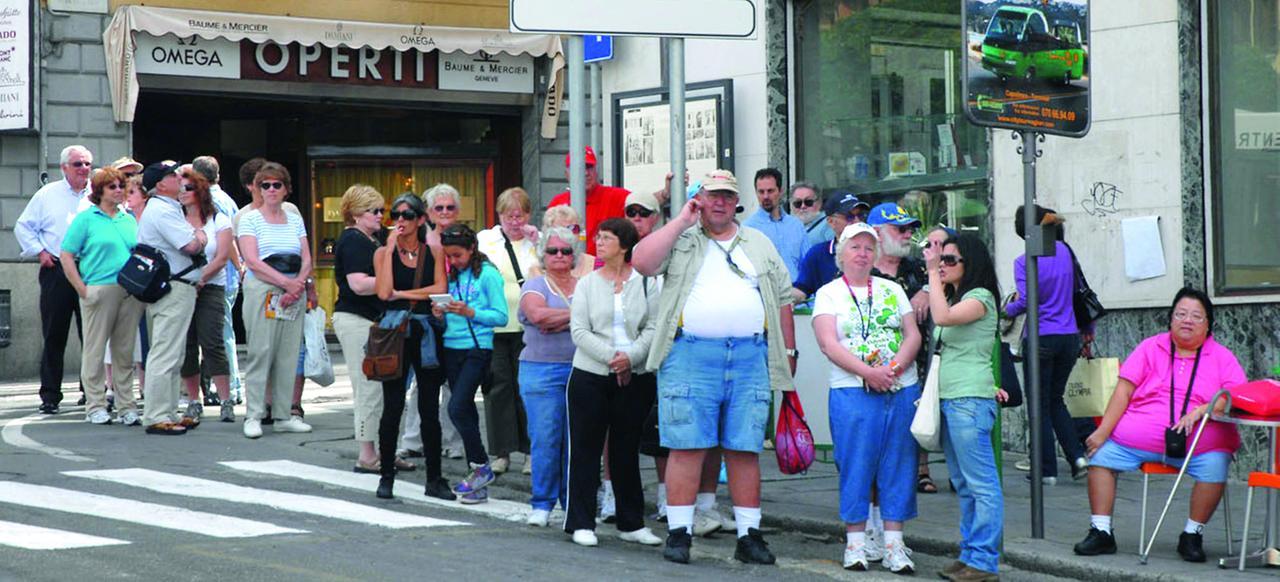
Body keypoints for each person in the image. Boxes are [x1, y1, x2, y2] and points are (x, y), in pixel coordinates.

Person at [633, 169, 797, 566]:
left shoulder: (757, 242)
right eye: (713, 195)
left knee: (744, 448)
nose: (720, 202)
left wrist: (788, 354)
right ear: (700, 199)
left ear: (736, 201)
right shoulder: (683, 237)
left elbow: (781, 297)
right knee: (686, 446)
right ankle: (679, 532)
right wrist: (681, 219)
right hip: (690, 355)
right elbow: (642, 262)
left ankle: (749, 535)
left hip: (749, 356)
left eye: (727, 196)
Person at [1073, 288, 1242, 563]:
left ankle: (1192, 535)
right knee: (1101, 458)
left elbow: (1234, 396)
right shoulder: (1151, 347)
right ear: (1171, 319)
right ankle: (1101, 531)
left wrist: (1201, 410)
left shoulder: (1222, 357)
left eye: (1196, 316)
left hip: (1198, 447)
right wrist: (1102, 432)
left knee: (1216, 466)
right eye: (1181, 314)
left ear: (1208, 324)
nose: (1187, 320)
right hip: (1135, 442)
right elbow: (1123, 392)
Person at [813, 223, 922, 573]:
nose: (862, 254)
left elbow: (912, 334)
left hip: (899, 386)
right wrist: (868, 373)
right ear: (841, 254)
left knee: (899, 465)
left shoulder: (892, 289)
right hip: (852, 388)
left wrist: (893, 368)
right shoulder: (829, 293)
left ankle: (894, 543)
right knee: (856, 464)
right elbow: (828, 343)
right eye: (855, 247)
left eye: (868, 248)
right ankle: (856, 543)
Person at [564, 219, 662, 548]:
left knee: (625, 449)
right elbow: (579, 331)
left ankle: (630, 521)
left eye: (606, 238)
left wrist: (630, 358)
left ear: (624, 245)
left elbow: (653, 327)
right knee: (586, 449)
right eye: (598, 237)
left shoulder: (647, 283)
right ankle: (581, 521)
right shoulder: (588, 283)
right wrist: (612, 358)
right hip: (591, 375)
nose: (599, 243)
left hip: (635, 377)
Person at [923, 233, 1004, 582]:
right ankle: (971, 554)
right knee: (964, 483)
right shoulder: (958, 298)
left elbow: (940, 318)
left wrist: (929, 273)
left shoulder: (980, 297)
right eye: (941, 260)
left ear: (970, 265)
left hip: (969, 402)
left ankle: (984, 562)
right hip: (954, 400)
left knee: (981, 484)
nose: (942, 265)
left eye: (950, 260)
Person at [372, 194, 451, 500]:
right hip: (394, 333)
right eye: (396, 215)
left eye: (407, 215)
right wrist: (390, 247)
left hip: (425, 332)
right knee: (392, 406)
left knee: (429, 407)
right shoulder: (383, 253)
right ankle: (386, 475)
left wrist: (404, 293)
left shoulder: (434, 251)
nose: (400, 221)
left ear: (421, 220)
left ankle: (435, 478)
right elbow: (383, 292)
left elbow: (440, 289)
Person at [1006, 204, 1088, 484]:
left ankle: (1046, 469)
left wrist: (1007, 310)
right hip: (1069, 337)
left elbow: (1027, 301)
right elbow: (1078, 292)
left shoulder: (1024, 260)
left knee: (1038, 404)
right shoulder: (1065, 251)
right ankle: (1077, 456)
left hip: (1040, 338)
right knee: (1056, 400)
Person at [58, 166, 144, 426]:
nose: (119, 191)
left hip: (129, 291)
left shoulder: (128, 218)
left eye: (121, 186)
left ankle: (126, 405)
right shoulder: (86, 219)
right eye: (112, 187)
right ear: (99, 192)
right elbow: (66, 254)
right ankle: (95, 404)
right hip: (99, 287)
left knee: (124, 351)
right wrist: (82, 289)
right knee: (95, 351)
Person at [434, 223, 509, 503]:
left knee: (456, 406)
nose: (453, 261)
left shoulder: (488, 275)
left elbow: (501, 316)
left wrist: (470, 311)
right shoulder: (451, 275)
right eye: (449, 256)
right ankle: (478, 483)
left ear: (472, 249)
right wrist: (440, 313)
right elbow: (445, 318)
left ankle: (480, 467)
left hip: (477, 348)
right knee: (463, 409)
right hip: (451, 347)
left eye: (458, 256)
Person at [237, 162, 313, 439]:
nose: (270, 189)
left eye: (276, 184)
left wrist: (298, 285)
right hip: (265, 287)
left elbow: (306, 256)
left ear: (285, 189)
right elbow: (252, 260)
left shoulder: (294, 218)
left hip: (293, 287)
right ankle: (254, 413)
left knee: (288, 352)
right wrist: (285, 284)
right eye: (264, 185)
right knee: (261, 350)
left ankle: (284, 414)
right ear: (257, 189)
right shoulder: (249, 219)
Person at [15, 144, 92, 415]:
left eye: (87, 164)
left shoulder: (97, 193)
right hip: (57, 270)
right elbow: (23, 226)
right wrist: (40, 252)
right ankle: (50, 395)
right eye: (78, 164)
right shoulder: (47, 195)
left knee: (92, 334)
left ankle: (91, 391)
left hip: (90, 269)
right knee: (54, 334)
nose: (84, 169)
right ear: (64, 168)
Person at [137, 160, 207, 436]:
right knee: (166, 352)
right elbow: (190, 244)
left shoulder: (167, 208)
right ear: (159, 185)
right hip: (173, 287)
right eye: (171, 175)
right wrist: (201, 235)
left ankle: (166, 411)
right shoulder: (163, 211)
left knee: (173, 352)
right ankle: (156, 414)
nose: (178, 178)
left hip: (177, 286)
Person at [517, 226, 580, 526]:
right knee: (545, 437)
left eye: (565, 251)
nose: (558, 256)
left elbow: (599, 319)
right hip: (540, 370)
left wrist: (562, 320)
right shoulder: (535, 285)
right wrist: (578, 317)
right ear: (543, 254)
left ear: (574, 256)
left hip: (581, 370)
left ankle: (572, 503)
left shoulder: (585, 285)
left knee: (575, 440)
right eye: (552, 251)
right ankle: (541, 503)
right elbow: (538, 317)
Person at [476, 187, 539, 475]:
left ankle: (531, 452)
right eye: (508, 215)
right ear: (499, 215)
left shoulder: (536, 241)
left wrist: (538, 242)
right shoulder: (486, 241)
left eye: (520, 214)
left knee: (527, 389)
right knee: (497, 388)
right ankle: (500, 452)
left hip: (529, 326)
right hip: (496, 325)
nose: (514, 221)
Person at [332, 185, 388, 473]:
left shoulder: (373, 238)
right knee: (367, 387)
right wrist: (394, 285)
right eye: (374, 211)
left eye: (382, 210)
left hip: (370, 320)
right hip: (356, 319)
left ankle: (380, 450)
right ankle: (367, 454)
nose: (380, 215)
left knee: (378, 387)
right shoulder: (354, 240)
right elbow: (358, 283)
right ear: (356, 213)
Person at [177, 168, 234, 424]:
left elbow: (222, 257)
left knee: (212, 342)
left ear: (199, 191)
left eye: (188, 188)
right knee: (187, 345)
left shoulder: (218, 219)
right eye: (180, 189)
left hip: (211, 286)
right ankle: (193, 400)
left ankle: (225, 400)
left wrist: (200, 279)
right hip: (181, 286)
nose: (183, 193)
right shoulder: (175, 218)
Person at [416, 183, 466, 460]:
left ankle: (454, 441)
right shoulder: (420, 239)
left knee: (454, 383)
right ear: (429, 211)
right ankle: (414, 439)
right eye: (439, 208)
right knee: (422, 381)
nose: (445, 212)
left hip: (456, 315)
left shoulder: (466, 238)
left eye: (450, 207)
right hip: (426, 315)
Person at [193, 155, 244, 408]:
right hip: (229, 277)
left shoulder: (212, 202)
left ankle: (230, 386)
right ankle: (228, 385)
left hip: (217, 277)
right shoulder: (229, 200)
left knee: (220, 333)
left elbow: (228, 239)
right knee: (223, 331)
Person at [548, 146, 630, 255]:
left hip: (604, 268)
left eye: (589, 167)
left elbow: (645, 203)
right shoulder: (557, 204)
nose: (586, 173)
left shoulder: (616, 197)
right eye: (580, 168)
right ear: (567, 174)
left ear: (596, 171)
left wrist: (661, 194)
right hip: (568, 267)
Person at [792, 192, 869, 303]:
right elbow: (801, 289)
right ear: (831, 222)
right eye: (850, 217)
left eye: (861, 216)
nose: (857, 221)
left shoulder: (874, 250)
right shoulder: (818, 254)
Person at [742, 168, 806, 281]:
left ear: (780, 191)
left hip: (797, 293)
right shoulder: (747, 228)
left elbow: (807, 264)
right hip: (766, 294)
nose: (765, 196)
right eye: (761, 192)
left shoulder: (796, 225)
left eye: (770, 191)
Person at [543, 205, 594, 278]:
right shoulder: (538, 269)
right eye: (562, 230)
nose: (570, 235)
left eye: (574, 228)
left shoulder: (596, 264)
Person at [790, 182, 830, 248]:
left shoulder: (829, 224)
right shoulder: (791, 226)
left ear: (819, 202)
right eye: (798, 203)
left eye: (808, 202)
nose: (803, 206)